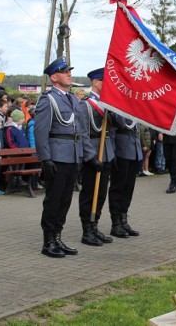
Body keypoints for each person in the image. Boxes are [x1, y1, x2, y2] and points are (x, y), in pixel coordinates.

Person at [35, 57, 85, 258]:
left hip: (71, 155)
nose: (69, 74)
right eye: (65, 72)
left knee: (65, 200)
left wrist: (80, 156)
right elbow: (41, 132)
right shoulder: (48, 100)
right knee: (54, 200)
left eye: (69, 71)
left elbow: (78, 130)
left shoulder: (72, 99)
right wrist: (45, 159)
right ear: (54, 77)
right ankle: (48, 241)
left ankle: (58, 237)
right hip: (56, 156)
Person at [79, 68, 113, 247]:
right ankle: (87, 230)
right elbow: (83, 133)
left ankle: (95, 225)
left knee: (100, 194)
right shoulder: (85, 104)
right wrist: (91, 156)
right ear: (96, 82)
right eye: (104, 81)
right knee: (89, 193)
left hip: (106, 152)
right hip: (92, 152)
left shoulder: (107, 104)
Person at [108, 112, 144, 238]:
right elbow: (112, 130)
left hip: (134, 149)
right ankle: (116, 223)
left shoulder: (135, 107)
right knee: (118, 187)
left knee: (129, 188)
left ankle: (124, 219)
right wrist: (112, 151)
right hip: (121, 149)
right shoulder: (119, 107)